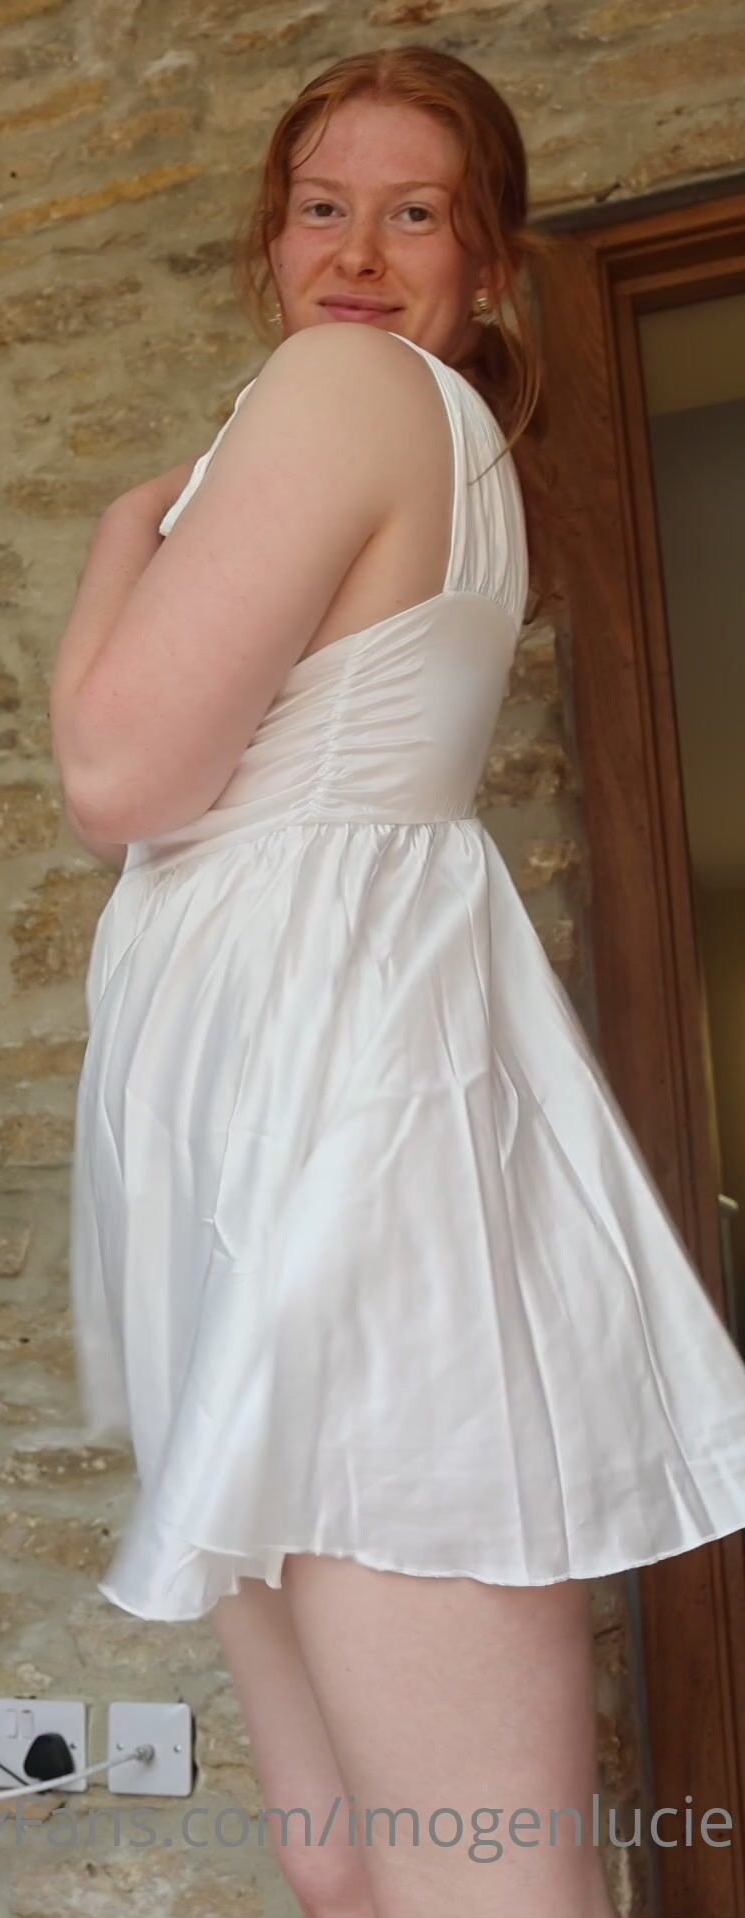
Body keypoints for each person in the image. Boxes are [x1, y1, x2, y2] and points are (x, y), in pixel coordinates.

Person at [51, 44, 745, 1918]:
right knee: (347, 1855)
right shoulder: (414, 433)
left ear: (490, 263)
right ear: (271, 239)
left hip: (348, 1139)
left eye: (415, 213)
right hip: (279, 1131)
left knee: (475, 1880)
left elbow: (119, 775)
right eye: (321, 208)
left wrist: (117, 546)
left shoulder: (350, 389)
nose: (356, 253)